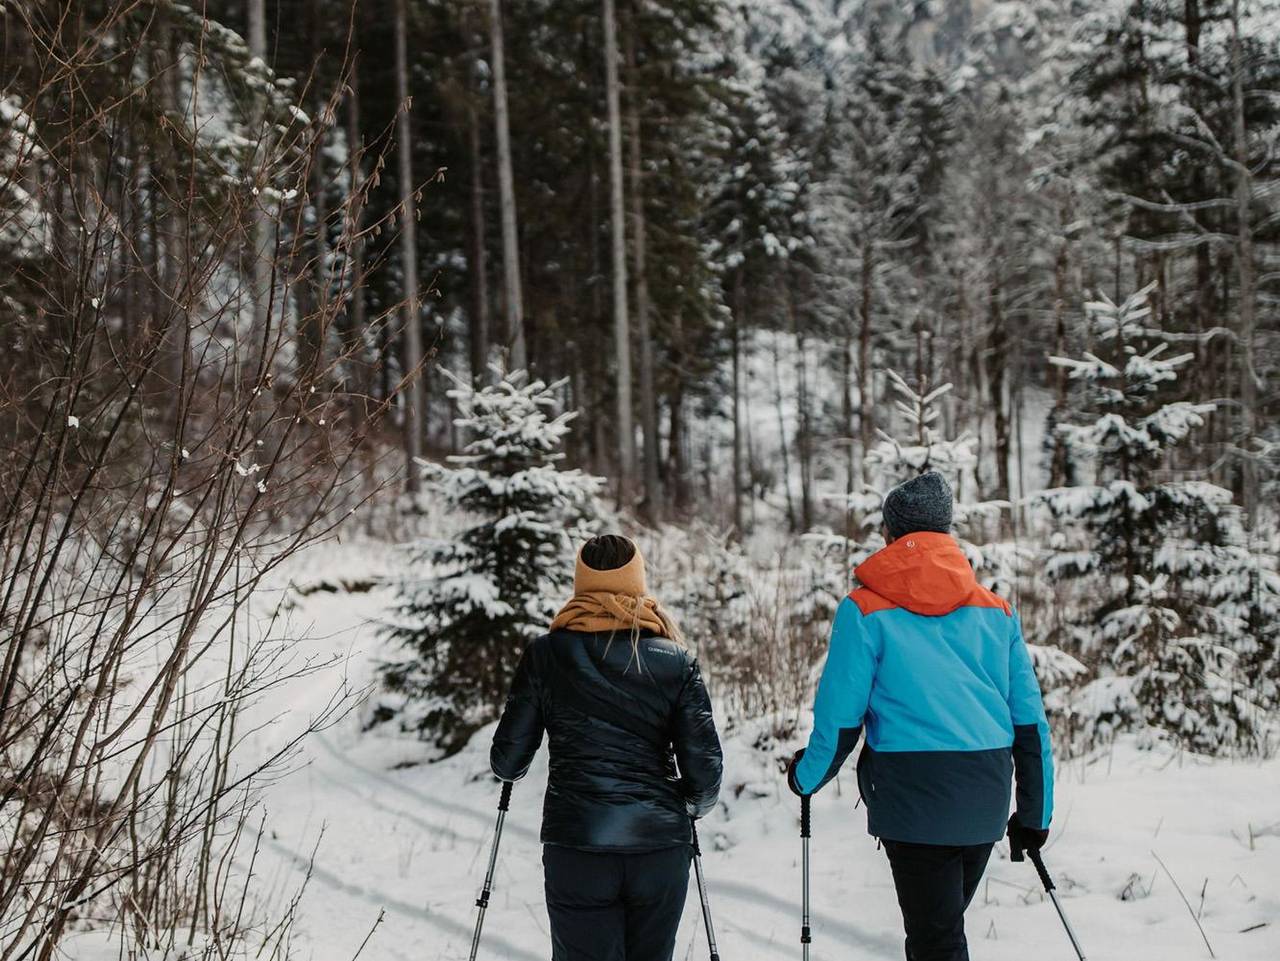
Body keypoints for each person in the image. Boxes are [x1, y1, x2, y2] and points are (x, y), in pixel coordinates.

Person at [787, 470, 1054, 961]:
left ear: (889, 535)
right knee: (940, 933)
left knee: (936, 941)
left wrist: (806, 776)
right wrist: (1034, 814)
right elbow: (1030, 724)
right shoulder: (997, 611)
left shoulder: (863, 609)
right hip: (984, 794)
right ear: (947, 534)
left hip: (910, 797)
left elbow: (841, 720)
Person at [490, 534, 723, 961]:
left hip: (578, 845)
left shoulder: (546, 655)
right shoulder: (676, 660)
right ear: (638, 580)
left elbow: (507, 760)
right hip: (659, 847)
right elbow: (704, 773)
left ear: (581, 581)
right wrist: (689, 806)